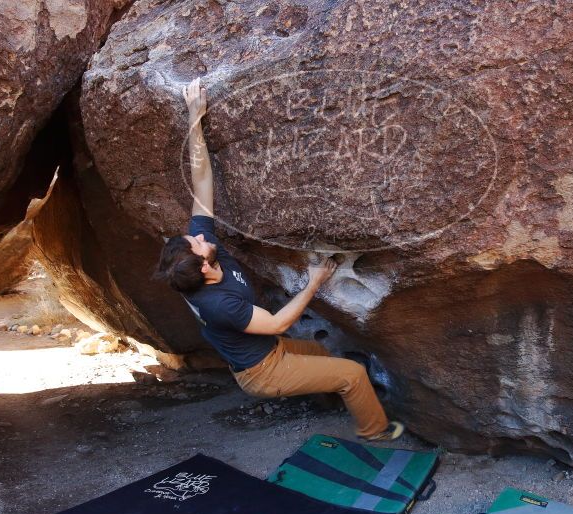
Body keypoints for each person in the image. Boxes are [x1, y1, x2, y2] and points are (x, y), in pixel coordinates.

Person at [153, 78, 404, 441]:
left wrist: (195, 118)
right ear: (205, 267)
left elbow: (202, 181)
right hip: (261, 371)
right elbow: (277, 323)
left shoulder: (198, 262)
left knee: (319, 353)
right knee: (352, 374)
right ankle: (376, 435)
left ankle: (329, 399)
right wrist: (314, 283)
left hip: (270, 349)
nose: (201, 236)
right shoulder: (219, 304)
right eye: (197, 242)